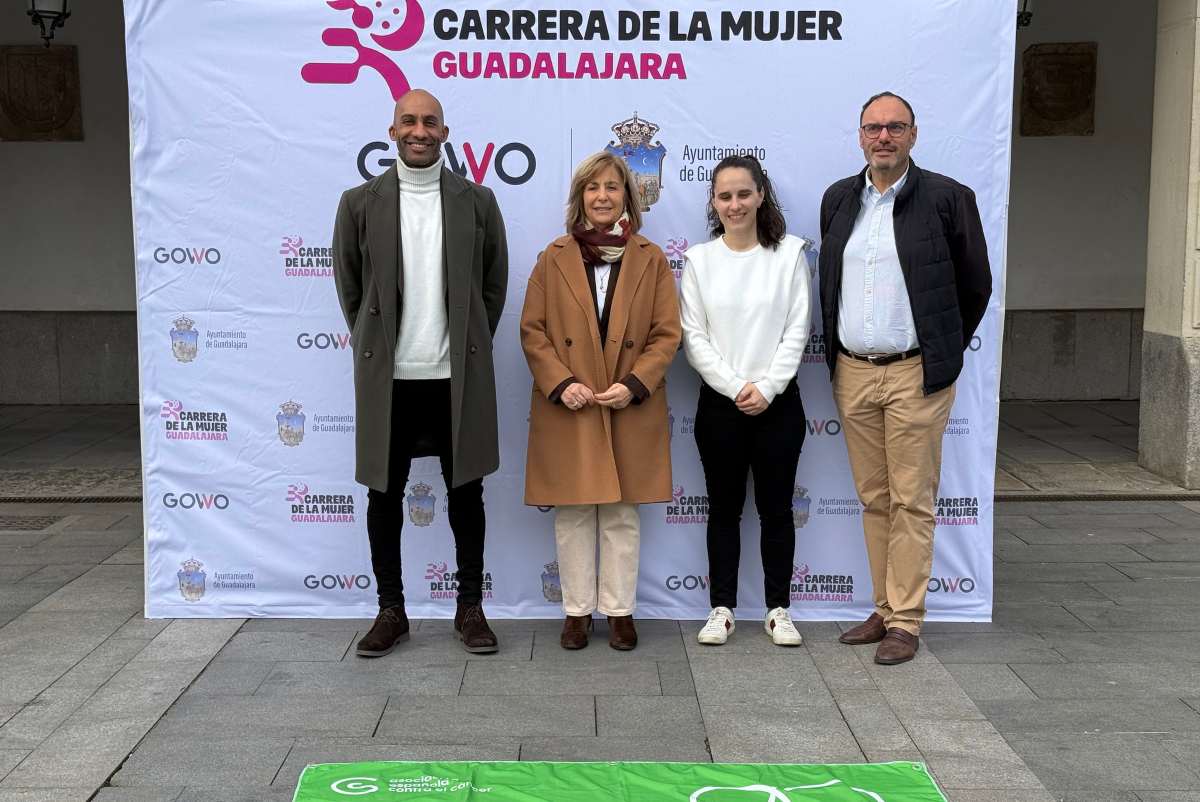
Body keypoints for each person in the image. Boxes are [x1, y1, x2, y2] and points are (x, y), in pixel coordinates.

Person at [331, 89, 508, 658]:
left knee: (467, 493)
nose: (419, 130)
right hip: (391, 379)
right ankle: (391, 610)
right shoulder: (359, 202)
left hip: (455, 378)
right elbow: (350, 287)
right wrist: (371, 344)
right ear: (392, 129)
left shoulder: (477, 201)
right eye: (409, 120)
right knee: (383, 496)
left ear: (445, 132)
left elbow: (493, 287)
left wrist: (471, 342)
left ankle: (469, 609)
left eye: (429, 121)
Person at [818, 91, 991, 665]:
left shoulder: (947, 198)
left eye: (895, 127)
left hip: (916, 372)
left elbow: (974, 286)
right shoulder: (840, 199)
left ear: (914, 134)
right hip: (854, 372)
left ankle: (907, 621)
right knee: (874, 499)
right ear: (860, 135)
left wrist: (942, 350)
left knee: (912, 500)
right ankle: (883, 607)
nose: (884, 137)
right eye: (874, 127)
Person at [519, 151, 681, 651]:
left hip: (626, 403)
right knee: (572, 513)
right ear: (580, 198)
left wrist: (635, 383)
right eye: (593, 188)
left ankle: (619, 611)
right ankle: (575, 612)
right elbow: (533, 330)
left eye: (613, 187)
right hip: (571, 402)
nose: (603, 196)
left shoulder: (650, 258)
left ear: (628, 196)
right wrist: (561, 382)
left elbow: (665, 333)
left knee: (621, 514)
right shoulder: (554, 256)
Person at [679, 155, 812, 647]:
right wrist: (737, 387)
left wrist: (768, 387)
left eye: (743, 193)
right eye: (724, 196)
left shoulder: (791, 254)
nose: (734, 204)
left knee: (776, 510)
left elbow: (798, 330)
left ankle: (779, 609)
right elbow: (694, 338)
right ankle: (722, 609)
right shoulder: (698, 261)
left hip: (779, 405)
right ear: (714, 203)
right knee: (724, 510)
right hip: (720, 407)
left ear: (761, 195)